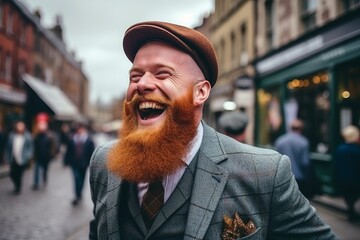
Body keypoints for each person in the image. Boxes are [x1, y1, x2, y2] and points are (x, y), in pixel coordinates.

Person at [89, 21, 337, 239]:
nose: (142, 84)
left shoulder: (266, 173)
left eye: (162, 74)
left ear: (201, 92)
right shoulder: (103, 162)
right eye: (135, 76)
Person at [274, 119, 314, 199]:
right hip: (300, 178)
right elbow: (305, 162)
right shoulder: (304, 142)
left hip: (284, 177)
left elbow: (275, 159)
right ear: (301, 129)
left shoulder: (280, 141)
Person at [334, 125, 360, 221]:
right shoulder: (358, 150)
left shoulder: (340, 149)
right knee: (354, 195)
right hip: (356, 179)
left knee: (349, 196)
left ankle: (351, 210)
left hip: (344, 179)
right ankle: (352, 211)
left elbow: (337, 166)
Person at [65, 122, 95, 205]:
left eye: (81, 129)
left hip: (84, 164)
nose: (79, 131)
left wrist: (91, 163)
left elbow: (92, 152)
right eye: (78, 129)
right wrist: (66, 161)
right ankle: (77, 196)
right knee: (76, 179)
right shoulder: (72, 139)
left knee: (81, 180)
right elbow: (68, 151)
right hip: (74, 163)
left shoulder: (89, 140)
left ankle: (80, 193)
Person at [5, 120, 33, 194]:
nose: (20, 128)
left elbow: (30, 147)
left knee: (19, 174)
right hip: (13, 158)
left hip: (22, 159)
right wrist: (7, 157)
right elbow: (8, 147)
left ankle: (18, 188)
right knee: (12, 174)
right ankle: (16, 185)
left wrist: (28, 155)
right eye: (19, 126)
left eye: (22, 126)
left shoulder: (27, 136)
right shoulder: (12, 136)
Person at [32, 120, 57, 190]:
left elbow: (52, 147)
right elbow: (34, 147)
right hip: (38, 157)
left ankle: (44, 178)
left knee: (45, 170)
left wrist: (52, 155)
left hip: (46, 157)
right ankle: (36, 183)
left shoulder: (49, 136)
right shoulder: (36, 137)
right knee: (37, 170)